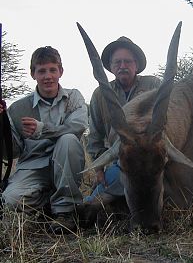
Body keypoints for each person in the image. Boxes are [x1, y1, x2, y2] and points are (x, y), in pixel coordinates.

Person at [0, 46, 88, 233]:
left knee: (68, 140)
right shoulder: (17, 108)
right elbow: (12, 152)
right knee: (11, 201)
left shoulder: (73, 97)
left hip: (65, 162)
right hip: (33, 166)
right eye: (41, 71)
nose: (47, 76)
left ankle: (66, 212)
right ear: (33, 74)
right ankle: (50, 201)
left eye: (52, 70)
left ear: (60, 72)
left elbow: (78, 126)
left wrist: (42, 129)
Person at [85, 36, 161, 204]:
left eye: (128, 61)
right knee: (93, 203)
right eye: (117, 62)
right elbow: (95, 138)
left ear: (136, 65)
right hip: (120, 163)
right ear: (111, 67)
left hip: (150, 161)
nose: (122, 66)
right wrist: (98, 169)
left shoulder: (154, 85)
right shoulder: (100, 95)